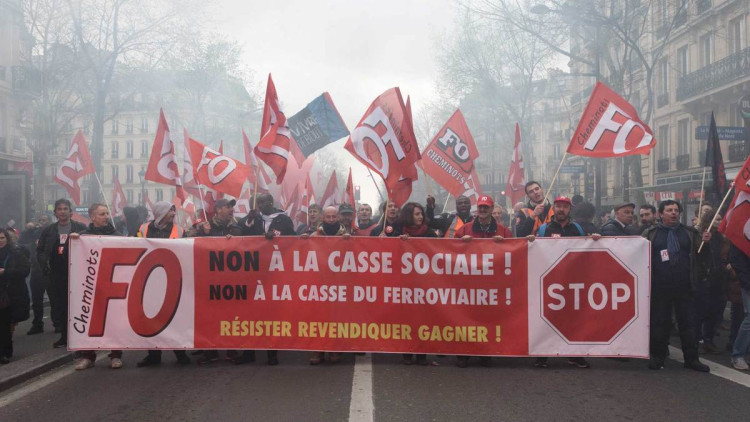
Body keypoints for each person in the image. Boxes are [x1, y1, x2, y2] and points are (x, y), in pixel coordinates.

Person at [642, 200, 711, 372]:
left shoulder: (690, 233)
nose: (673, 213)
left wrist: (706, 243)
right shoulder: (651, 234)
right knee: (660, 323)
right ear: (660, 214)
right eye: (669, 210)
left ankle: (692, 359)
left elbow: (702, 256)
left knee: (688, 324)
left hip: (685, 286)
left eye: (676, 210)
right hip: (659, 286)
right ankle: (657, 357)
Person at [534, 196, 599, 369]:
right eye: (558, 206)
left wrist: (596, 240)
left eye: (565, 206)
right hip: (550, 282)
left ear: (570, 209)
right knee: (547, 317)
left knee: (573, 319)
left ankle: (574, 355)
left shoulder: (577, 229)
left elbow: (588, 252)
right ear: (553, 209)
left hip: (572, 282)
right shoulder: (543, 229)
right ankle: (543, 353)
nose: (561, 209)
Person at [233, 193, 295, 366]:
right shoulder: (254, 218)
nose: (260, 205)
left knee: (271, 315)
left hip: (274, 272)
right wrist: (248, 221)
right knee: (250, 314)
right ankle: (249, 351)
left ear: (271, 202)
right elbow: (241, 235)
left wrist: (275, 234)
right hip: (254, 272)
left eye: (263, 202)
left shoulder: (283, 219)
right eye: (258, 203)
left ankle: (272, 352)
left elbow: (292, 238)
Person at [454, 195, 512, 368]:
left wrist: (505, 244)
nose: (483, 210)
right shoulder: (464, 229)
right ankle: (463, 353)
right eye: (481, 207)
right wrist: (460, 243)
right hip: (468, 283)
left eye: (486, 207)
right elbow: (448, 249)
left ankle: (485, 352)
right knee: (465, 317)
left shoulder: (502, 230)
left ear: (492, 208)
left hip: (492, 284)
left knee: (487, 318)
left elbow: (515, 249)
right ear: (477, 208)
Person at [136, 202, 191, 367]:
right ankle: (153, 354)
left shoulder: (180, 230)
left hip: (173, 278)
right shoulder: (144, 228)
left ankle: (180, 353)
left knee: (174, 316)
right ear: (161, 212)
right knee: (150, 317)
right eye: (170, 210)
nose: (174, 213)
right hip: (149, 278)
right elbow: (135, 246)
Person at [70, 203, 124, 370]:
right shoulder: (83, 236)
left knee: (113, 320)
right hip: (90, 284)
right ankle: (88, 356)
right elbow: (70, 258)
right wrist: (72, 243)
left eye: (107, 213)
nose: (106, 216)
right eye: (102, 214)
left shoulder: (116, 235)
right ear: (92, 217)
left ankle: (115, 355)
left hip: (111, 283)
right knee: (88, 318)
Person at [190, 199, 241, 365]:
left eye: (232, 207)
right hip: (208, 280)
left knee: (231, 315)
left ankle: (231, 349)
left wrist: (236, 238)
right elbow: (187, 241)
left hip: (230, 280)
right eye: (227, 206)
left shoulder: (236, 227)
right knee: (209, 316)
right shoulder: (205, 226)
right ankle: (210, 350)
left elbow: (248, 243)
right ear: (218, 210)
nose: (231, 209)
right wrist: (203, 234)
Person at [305, 205, 353, 365]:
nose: (331, 220)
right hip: (319, 284)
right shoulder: (314, 235)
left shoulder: (347, 236)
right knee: (317, 318)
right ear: (323, 218)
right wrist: (304, 243)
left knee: (336, 318)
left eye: (334, 217)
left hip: (339, 284)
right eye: (328, 217)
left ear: (338, 217)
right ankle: (317, 350)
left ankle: (334, 349)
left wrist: (349, 243)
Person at [37, 199, 87, 347]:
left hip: (77, 273)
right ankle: (65, 336)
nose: (63, 212)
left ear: (70, 212)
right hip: (56, 274)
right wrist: (44, 264)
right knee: (61, 306)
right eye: (60, 209)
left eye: (65, 209)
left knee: (78, 306)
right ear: (55, 213)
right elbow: (40, 250)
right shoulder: (49, 230)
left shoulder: (80, 227)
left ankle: (80, 335)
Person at [398, 202, 438, 366]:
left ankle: (422, 353)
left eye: (421, 213)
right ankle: (407, 351)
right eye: (416, 214)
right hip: (405, 284)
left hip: (425, 283)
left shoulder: (429, 233)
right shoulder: (399, 233)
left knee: (423, 319)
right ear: (409, 216)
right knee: (406, 319)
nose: (420, 217)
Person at [0, 228, 31, 364]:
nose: (0, 241)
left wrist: (5, 272)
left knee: (5, 324)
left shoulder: (16, 253)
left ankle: (4, 353)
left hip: (9, 294)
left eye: (2, 238)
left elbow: (24, 270)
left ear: (7, 238)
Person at [19, 215, 49, 335]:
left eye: (44, 220)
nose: (42, 223)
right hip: (36, 271)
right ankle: (37, 323)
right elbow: (21, 242)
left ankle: (58, 324)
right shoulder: (32, 237)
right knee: (37, 300)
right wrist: (28, 230)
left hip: (49, 272)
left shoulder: (51, 234)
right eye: (40, 220)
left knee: (54, 298)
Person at [729, 243, 750, 370]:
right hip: (748, 283)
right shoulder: (740, 238)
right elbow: (738, 263)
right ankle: (738, 355)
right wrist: (747, 284)